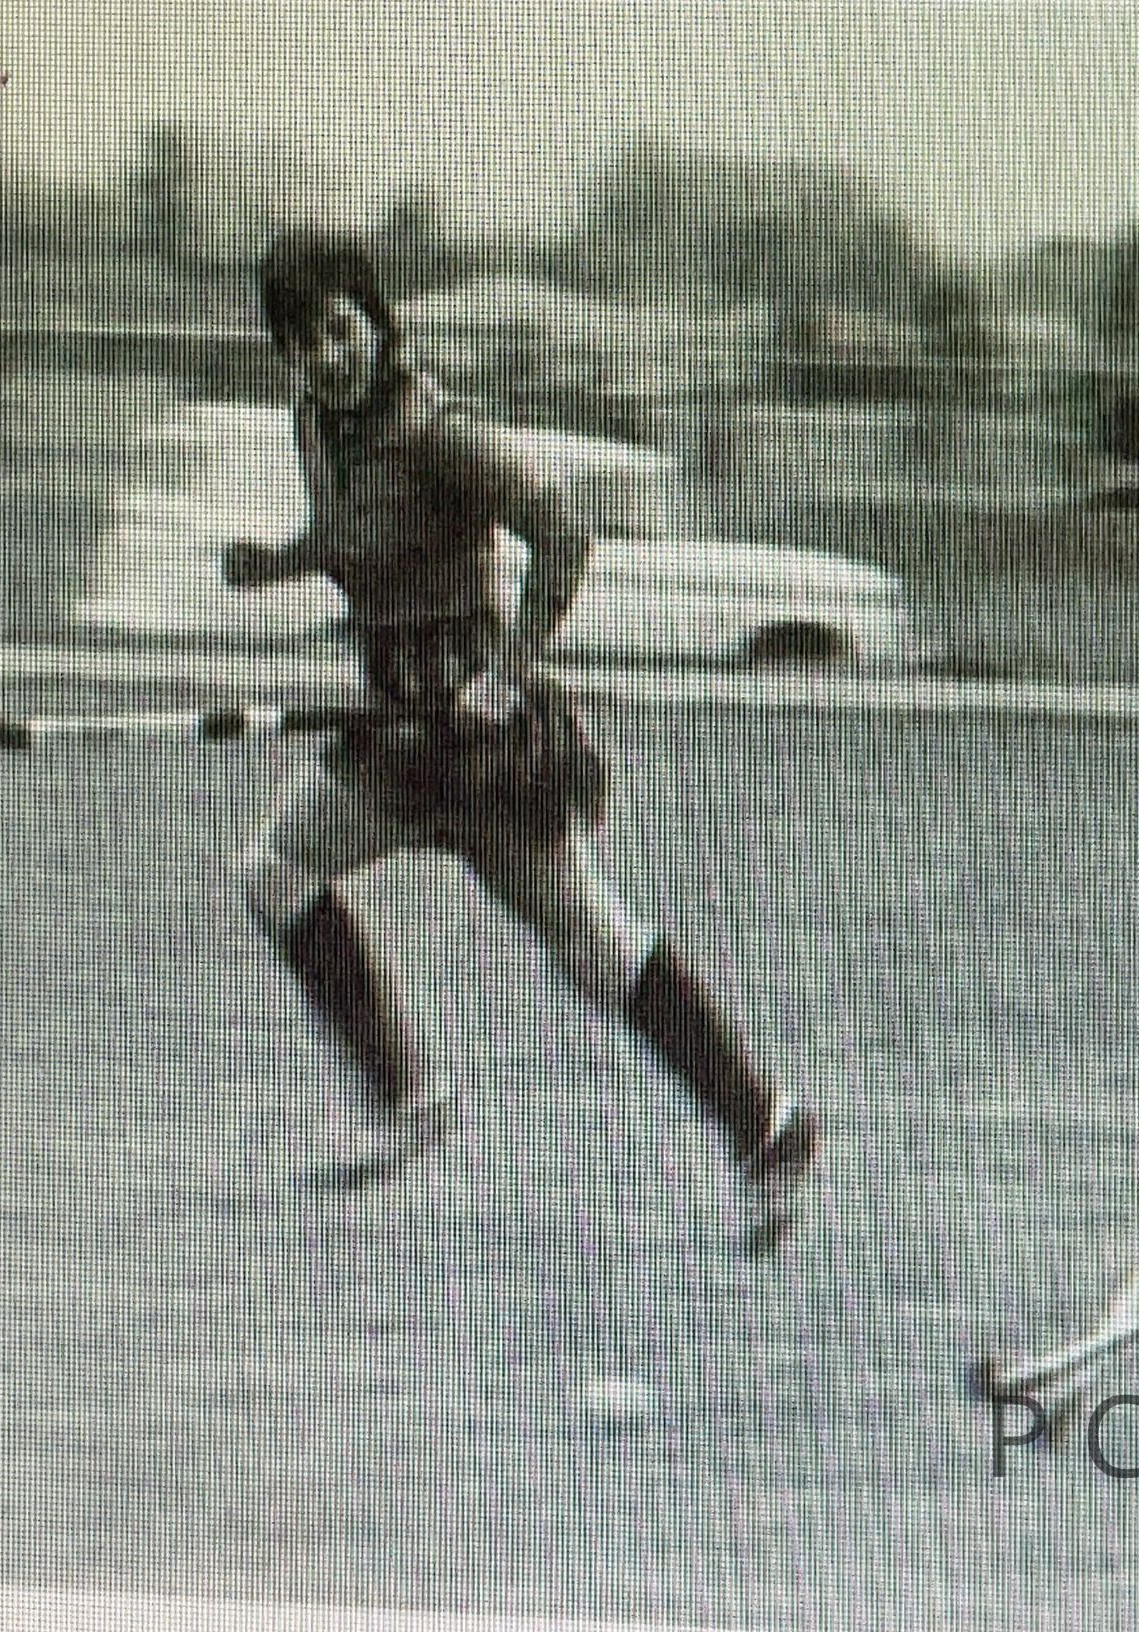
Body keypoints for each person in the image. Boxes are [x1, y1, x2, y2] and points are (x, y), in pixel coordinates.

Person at [222, 229, 816, 1249]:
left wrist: (501, 681)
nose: (328, 355)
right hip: (392, 741)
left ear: (377, 322)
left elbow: (564, 538)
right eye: (304, 342)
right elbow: (363, 536)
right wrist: (279, 562)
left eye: (341, 328)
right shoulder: (315, 424)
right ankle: (405, 1100)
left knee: (596, 950)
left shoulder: (439, 431)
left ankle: (766, 1129)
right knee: (274, 871)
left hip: (483, 756)